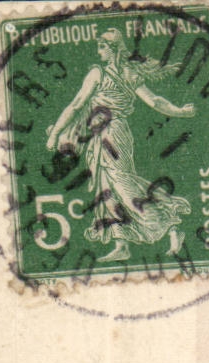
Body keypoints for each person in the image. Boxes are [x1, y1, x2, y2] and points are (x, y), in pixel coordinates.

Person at [44, 28, 195, 262]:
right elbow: (76, 106)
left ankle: (171, 223)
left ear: (113, 48)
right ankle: (121, 243)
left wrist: (181, 112)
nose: (98, 51)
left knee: (123, 184)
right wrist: (56, 132)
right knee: (105, 188)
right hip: (98, 135)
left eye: (102, 47)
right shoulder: (113, 72)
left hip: (114, 134)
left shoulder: (109, 74)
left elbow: (153, 101)